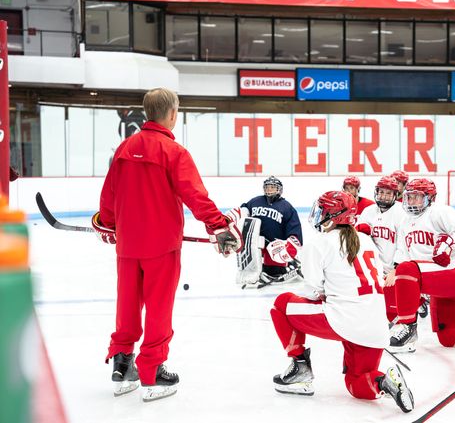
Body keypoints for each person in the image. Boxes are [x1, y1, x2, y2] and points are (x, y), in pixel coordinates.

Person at [93, 88, 242, 402]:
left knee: (127, 304)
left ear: (148, 113)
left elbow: (109, 196)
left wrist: (108, 224)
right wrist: (218, 226)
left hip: (128, 246)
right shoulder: (174, 153)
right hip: (162, 246)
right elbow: (196, 197)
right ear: (173, 114)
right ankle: (152, 370)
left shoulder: (124, 148)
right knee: (158, 308)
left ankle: (122, 361)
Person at [269, 191, 414, 413]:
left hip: (344, 321)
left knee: (280, 304)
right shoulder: (366, 241)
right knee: (357, 385)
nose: (319, 214)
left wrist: (325, 292)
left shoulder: (320, 243)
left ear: (335, 215)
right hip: (376, 327)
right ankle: (386, 381)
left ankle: (300, 368)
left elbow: (311, 291)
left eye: (323, 210)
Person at [385, 179, 455, 353]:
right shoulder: (405, 222)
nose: (411, 201)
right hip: (439, 278)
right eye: (409, 197)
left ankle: (407, 327)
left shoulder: (439, 212)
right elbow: (403, 256)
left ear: (430, 198)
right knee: (451, 337)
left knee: (406, 270)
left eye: (417, 197)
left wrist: (449, 244)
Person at [227, 176, 303, 287]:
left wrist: (290, 246)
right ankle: (255, 270)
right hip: (253, 241)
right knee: (249, 262)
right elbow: (243, 210)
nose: (269, 190)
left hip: (274, 245)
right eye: (267, 187)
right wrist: (229, 220)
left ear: (279, 189)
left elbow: (294, 228)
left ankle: (281, 266)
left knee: (274, 270)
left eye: (273, 188)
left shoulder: (287, 207)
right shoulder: (256, 201)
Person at [356, 176, 407, 321]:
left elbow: (403, 244)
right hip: (375, 268)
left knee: (394, 309)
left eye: (388, 193)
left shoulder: (401, 213)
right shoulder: (368, 211)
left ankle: (418, 301)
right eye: (381, 192)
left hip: (393, 267)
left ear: (395, 195)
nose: (383, 197)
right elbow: (358, 239)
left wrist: (396, 269)